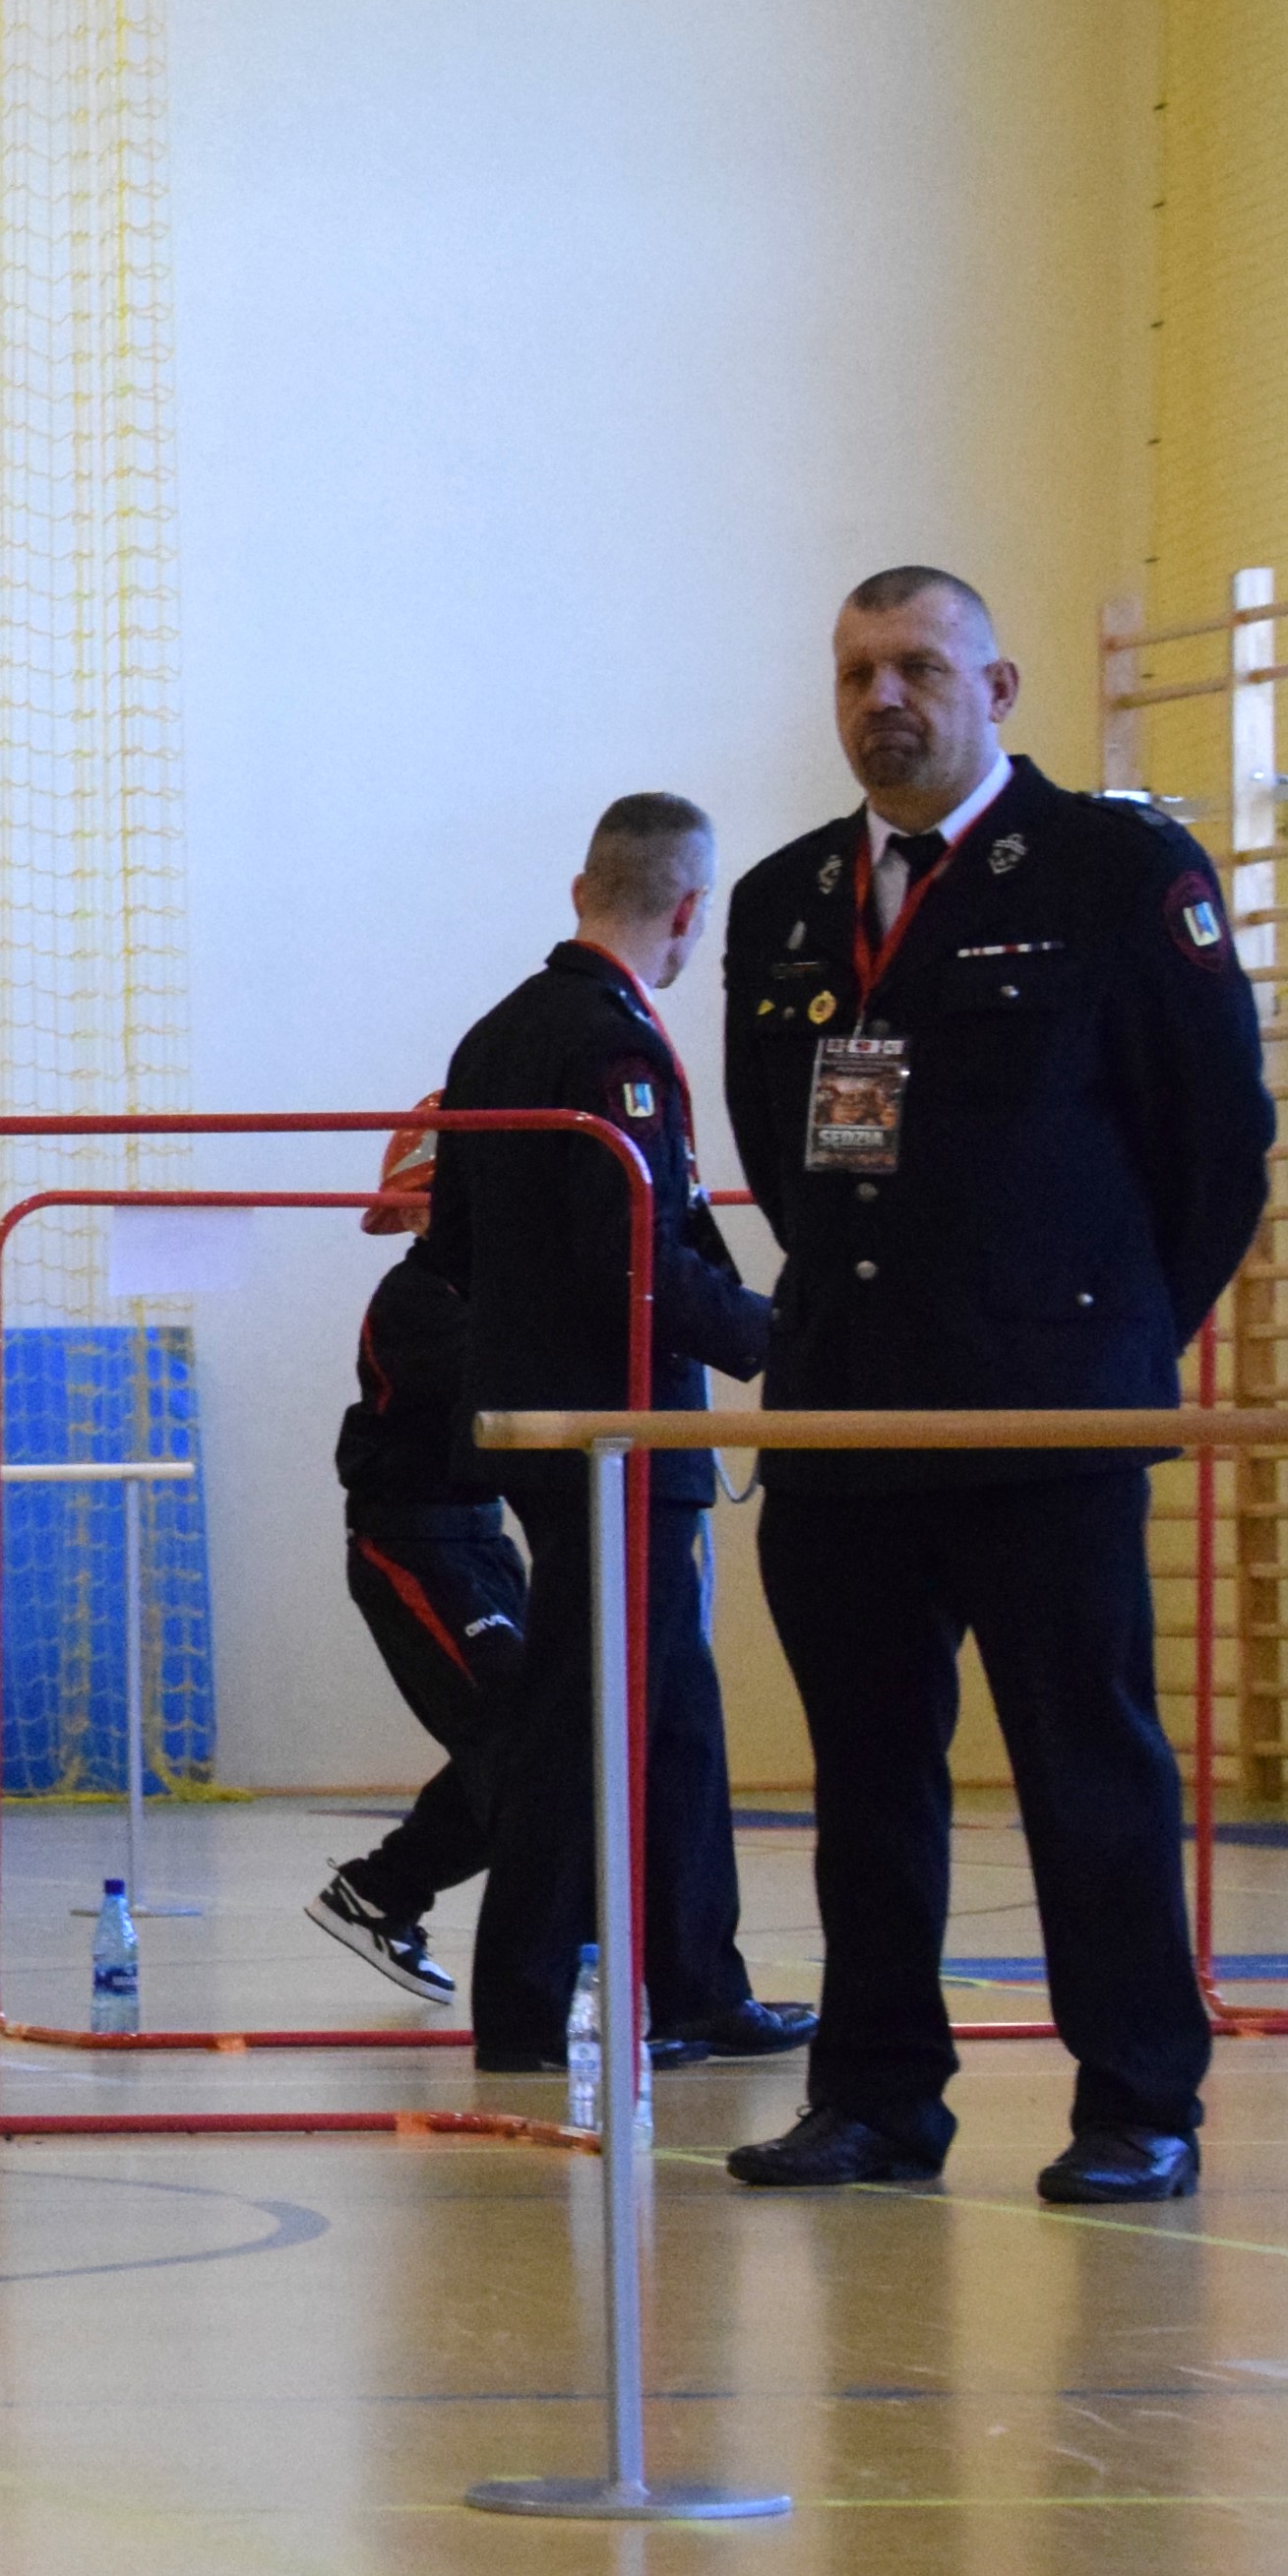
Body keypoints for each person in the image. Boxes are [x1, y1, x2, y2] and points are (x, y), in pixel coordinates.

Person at [720, 567, 1272, 2203]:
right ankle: (878, 2095)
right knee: (865, 1781)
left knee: (1086, 1765)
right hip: (846, 1408)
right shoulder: (787, 896)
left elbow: (1215, 1144)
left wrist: (1107, 1347)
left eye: (916, 666)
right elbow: (785, 1149)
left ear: (998, 685)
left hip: (1045, 1417)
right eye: (855, 672)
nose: (882, 698)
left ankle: (1137, 2100)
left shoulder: (1117, 870)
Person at [426, 797, 808, 2079]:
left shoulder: (491, 1035)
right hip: (615, 1427)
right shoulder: (610, 1046)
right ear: (689, 909)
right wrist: (772, 1338)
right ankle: (528, 2004)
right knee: (587, 1716)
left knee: (667, 1707)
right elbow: (632, 1254)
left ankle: (693, 1980)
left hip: (549, 1418)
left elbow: (452, 1245)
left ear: (581, 885)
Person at [302, 1109, 521, 2005]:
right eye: (429, 1201)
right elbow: (499, 1400)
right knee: (516, 1740)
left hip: (479, 1537)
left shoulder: (496, 1287)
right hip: (411, 1544)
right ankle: (552, 1963)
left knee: (539, 1733)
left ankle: (380, 1888)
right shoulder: (416, 1301)